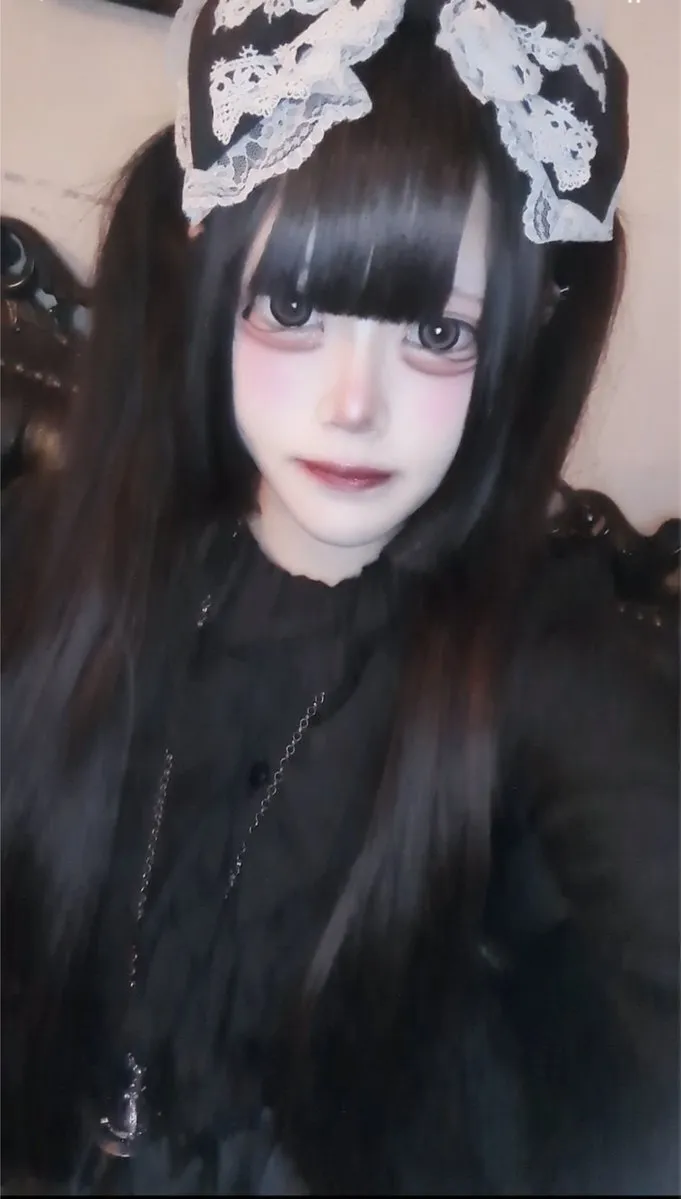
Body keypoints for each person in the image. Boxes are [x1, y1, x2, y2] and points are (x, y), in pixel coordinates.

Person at [1, 0, 677, 1193]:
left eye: (436, 332)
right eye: (295, 309)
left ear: (516, 338)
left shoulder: (540, 659)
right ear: (212, 278)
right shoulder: (73, 551)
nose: (353, 406)